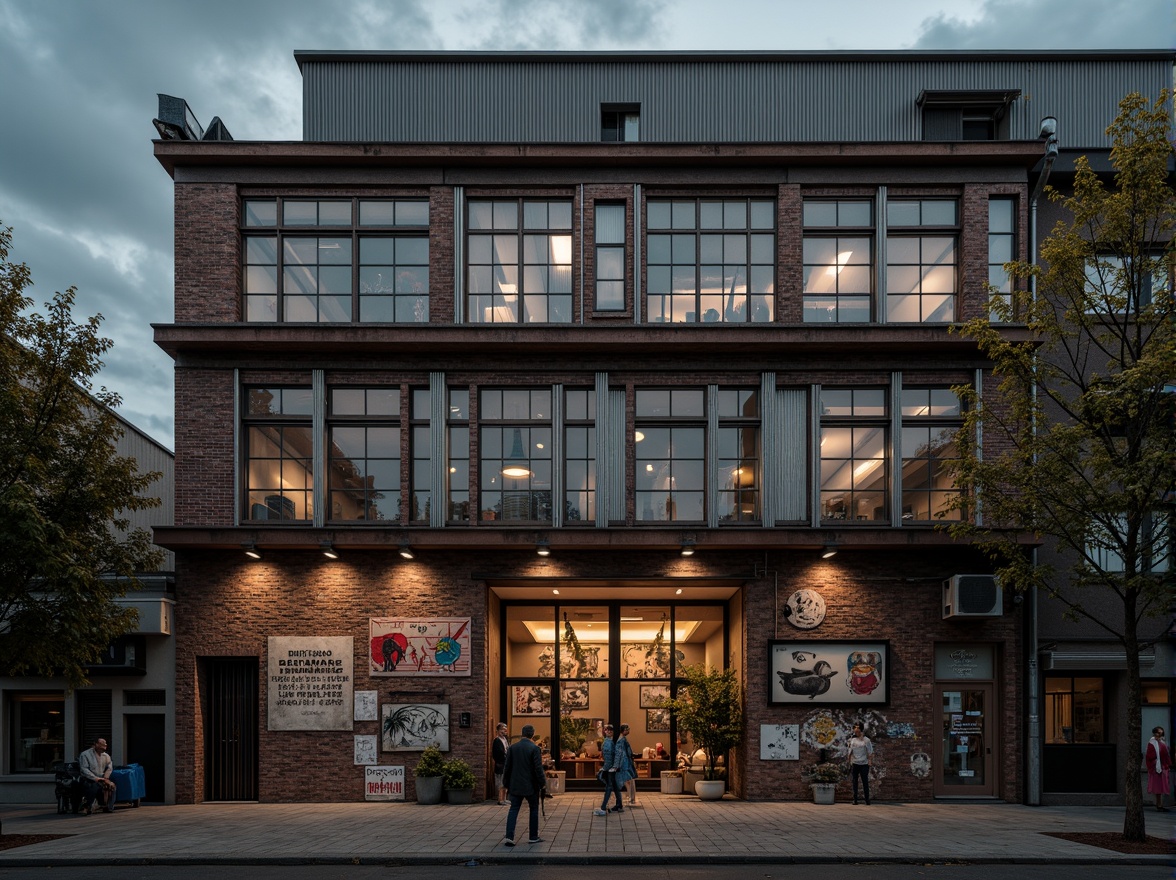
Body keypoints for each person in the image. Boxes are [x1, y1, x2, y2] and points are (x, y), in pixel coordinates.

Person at [501, 723, 546, 846]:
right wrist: (542, 783)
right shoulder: (535, 749)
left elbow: (507, 767)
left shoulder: (512, 748)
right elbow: (538, 769)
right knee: (533, 809)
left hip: (515, 784)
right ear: (532, 734)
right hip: (530, 785)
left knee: (513, 809)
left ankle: (509, 836)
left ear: (522, 734)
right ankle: (533, 836)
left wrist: (505, 783)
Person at [78, 737, 116, 815]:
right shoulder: (85, 754)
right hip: (88, 778)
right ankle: (87, 806)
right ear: (96, 744)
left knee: (112, 786)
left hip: (102, 777)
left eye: (105, 744)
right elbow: (84, 769)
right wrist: (96, 778)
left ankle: (108, 806)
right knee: (93, 786)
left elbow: (109, 767)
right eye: (102, 744)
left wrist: (106, 778)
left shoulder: (106, 756)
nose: (104, 746)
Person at [593, 723, 623, 815]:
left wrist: (604, 768)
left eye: (611, 730)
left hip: (610, 768)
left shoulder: (608, 743)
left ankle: (603, 808)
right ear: (604, 731)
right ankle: (619, 805)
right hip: (612, 767)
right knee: (614, 786)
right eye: (607, 730)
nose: (609, 731)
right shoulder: (610, 742)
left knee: (609, 787)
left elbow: (609, 758)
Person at [847, 722, 873, 805]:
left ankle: (867, 799)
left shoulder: (866, 740)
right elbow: (850, 752)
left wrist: (869, 761)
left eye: (858, 730)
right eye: (855, 730)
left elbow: (870, 752)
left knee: (865, 781)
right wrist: (849, 761)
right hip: (855, 763)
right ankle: (855, 799)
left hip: (864, 764)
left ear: (861, 730)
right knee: (855, 782)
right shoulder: (853, 740)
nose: (856, 732)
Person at [1146, 726, 1171, 812]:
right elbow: (1149, 756)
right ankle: (1159, 804)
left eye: (1161, 733)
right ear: (1154, 733)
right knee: (1158, 787)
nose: (1159, 734)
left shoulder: (1163, 742)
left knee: (1162, 786)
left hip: (1163, 767)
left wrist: (1167, 764)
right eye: (1158, 733)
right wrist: (1155, 763)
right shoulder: (1152, 743)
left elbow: (1166, 754)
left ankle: (1160, 804)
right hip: (1156, 768)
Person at [615, 722, 638, 806]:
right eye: (627, 729)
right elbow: (621, 753)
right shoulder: (621, 740)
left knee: (628, 780)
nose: (628, 731)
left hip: (625, 762)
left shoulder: (622, 740)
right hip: (625, 762)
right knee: (628, 780)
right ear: (623, 730)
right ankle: (630, 797)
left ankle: (630, 797)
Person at [492, 722, 509, 805]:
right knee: (500, 783)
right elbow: (496, 754)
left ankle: (504, 798)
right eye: (502, 729)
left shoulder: (505, 739)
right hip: (500, 764)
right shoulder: (497, 740)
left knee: (505, 782)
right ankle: (500, 799)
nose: (504, 731)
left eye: (505, 730)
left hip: (505, 764)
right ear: (498, 730)